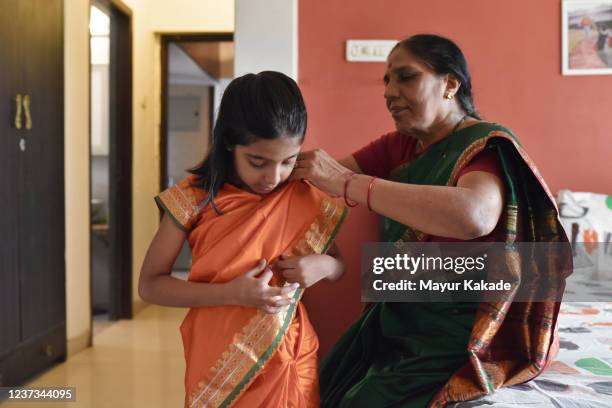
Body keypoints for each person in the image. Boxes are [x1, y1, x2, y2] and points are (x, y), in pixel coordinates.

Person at [291, 34, 572, 407]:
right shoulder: (401, 146)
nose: (389, 91)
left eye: (405, 77)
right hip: (399, 315)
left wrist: (348, 183)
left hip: (461, 327)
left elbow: (474, 216)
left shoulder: (484, 144)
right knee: (320, 389)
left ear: (450, 84)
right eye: (387, 81)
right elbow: (317, 183)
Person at [138, 71, 347, 408]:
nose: (273, 177)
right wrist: (230, 293)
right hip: (218, 355)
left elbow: (339, 265)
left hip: (289, 355)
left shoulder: (302, 194)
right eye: (258, 162)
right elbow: (150, 285)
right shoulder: (193, 199)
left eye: (287, 162)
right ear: (228, 143)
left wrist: (323, 265)